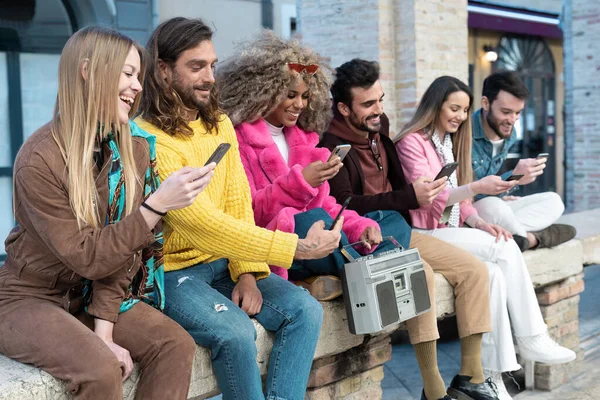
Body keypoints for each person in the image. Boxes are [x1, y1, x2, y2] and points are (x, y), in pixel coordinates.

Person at [135, 18, 340, 400]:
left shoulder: (219, 125)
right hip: (173, 272)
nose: (209, 77)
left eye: (212, 65)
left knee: (305, 311)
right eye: (196, 67)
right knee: (236, 332)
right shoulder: (147, 138)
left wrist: (246, 271)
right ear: (163, 71)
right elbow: (202, 225)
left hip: (223, 263)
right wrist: (296, 248)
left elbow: (236, 203)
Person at [0, 26, 207, 399]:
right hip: (27, 298)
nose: (137, 87)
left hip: (85, 295)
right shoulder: (39, 160)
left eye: (139, 76)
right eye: (127, 74)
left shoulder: (133, 149)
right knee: (100, 370)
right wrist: (155, 206)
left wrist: (105, 330)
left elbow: (124, 252)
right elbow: (87, 254)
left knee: (175, 344)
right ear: (87, 71)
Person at [320, 58, 497, 400]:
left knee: (474, 271)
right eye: (368, 104)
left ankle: (470, 377)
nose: (378, 110)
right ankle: (433, 391)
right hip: (365, 240)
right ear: (343, 108)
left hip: (401, 230)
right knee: (422, 276)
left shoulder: (378, 131)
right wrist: (407, 195)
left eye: (381, 100)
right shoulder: (331, 145)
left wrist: (423, 192)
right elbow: (344, 204)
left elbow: (402, 191)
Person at [395, 75, 577, 400]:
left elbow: (463, 203)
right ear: (435, 105)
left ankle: (493, 377)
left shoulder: (449, 141)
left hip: (452, 228)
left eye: (464, 111)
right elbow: (430, 197)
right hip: (426, 231)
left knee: (492, 273)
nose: (460, 117)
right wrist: (479, 189)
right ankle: (533, 336)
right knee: (504, 247)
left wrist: (478, 220)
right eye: (454, 108)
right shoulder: (412, 142)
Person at [217, 31, 413, 302]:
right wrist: (301, 183)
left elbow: (328, 206)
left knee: (394, 222)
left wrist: (359, 226)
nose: (299, 105)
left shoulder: (304, 139)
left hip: (325, 241)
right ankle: (372, 270)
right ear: (263, 91)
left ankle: (345, 275)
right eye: (290, 95)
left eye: (306, 96)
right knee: (307, 221)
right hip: (283, 244)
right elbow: (249, 213)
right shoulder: (238, 139)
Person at [471, 71, 575, 251]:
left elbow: (492, 185)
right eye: (505, 112)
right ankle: (532, 239)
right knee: (493, 206)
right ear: (486, 103)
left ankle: (515, 235)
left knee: (554, 201)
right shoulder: (465, 135)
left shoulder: (510, 134)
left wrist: (509, 185)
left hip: (494, 205)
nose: (512, 120)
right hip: (471, 212)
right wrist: (513, 178)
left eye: (518, 112)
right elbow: (463, 193)